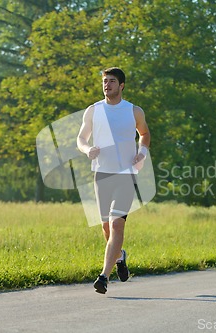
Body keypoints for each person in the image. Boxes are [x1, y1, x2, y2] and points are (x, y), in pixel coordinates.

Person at [77, 67, 151, 294]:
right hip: (102, 174)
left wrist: (142, 153)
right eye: (104, 81)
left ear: (121, 86)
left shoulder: (133, 111)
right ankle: (120, 257)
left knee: (118, 224)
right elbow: (81, 138)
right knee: (106, 227)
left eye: (111, 81)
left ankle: (103, 277)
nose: (107, 85)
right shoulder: (93, 110)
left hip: (126, 175)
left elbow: (145, 134)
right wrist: (87, 149)